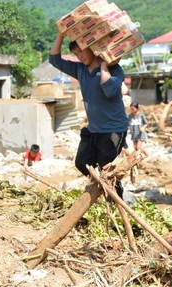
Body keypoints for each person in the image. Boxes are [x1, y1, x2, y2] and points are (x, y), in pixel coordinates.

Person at [50, 31, 128, 196]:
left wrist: (104, 66)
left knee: (107, 169)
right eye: (75, 53)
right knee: (82, 163)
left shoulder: (116, 70)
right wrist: (61, 36)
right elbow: (54, 60)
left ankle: (115, 202)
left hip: (114, 129)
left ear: (92, 48)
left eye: (81, 51)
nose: (78, 56)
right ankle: (103, 190)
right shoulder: (80, 70)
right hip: (94, 130)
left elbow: (110, 91)